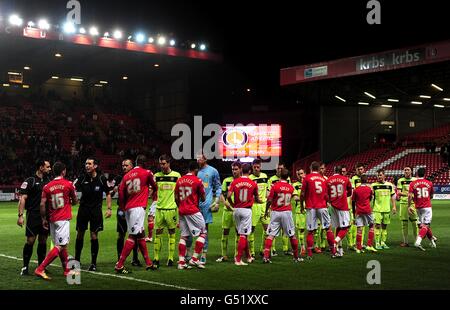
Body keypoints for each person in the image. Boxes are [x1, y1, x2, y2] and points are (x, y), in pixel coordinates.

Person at [35, 162, 78, 280]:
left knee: (62, 246)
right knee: (61, 245)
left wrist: (44, 218)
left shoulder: (47, 186)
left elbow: (42, 204)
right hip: (63, 219)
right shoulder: (69, 184)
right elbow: (75, 201)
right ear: (63, 171)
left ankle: (67, 270)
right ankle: (40, 268)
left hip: (52, 219)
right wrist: (70, 201)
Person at [115, 155, 158, 274]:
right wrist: (153, 193)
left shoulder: (126, 177)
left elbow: (121, 193)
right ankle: (119, 264)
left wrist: (123, 208)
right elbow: (155, 186)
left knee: (140, 234)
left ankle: (148, 263)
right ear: (145, 163)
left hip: (128, 209)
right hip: (138, 208)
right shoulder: (147, 172)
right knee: (133, 236)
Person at [74, 158, 112, 271]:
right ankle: (77, 261)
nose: (87, 165)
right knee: (79, 234)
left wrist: (109, 208)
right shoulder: (81, 178)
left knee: (94, 235)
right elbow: (71, 187)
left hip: (96, 210)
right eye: (86, 163)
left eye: (89, 164)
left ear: (95, 166)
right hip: (83, 210)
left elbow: (108, 193)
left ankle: (93, 263)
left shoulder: (101, 178)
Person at [17, 159, 51, 276]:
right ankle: (25, 266)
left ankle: (41, 267)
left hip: (46, 216)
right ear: (41, 168)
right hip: (33, 215)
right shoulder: (30, 181)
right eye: (47, 167)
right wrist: (20, 216)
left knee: (43, 241)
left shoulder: (49, 181)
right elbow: (23, 198)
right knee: (30, 241)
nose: (49, 169)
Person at [263, 168, 302, 263]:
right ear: (288, 177)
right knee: (292, 235)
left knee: (271, 235)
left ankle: (266, 257)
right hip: (286, 213)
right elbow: (295, 197)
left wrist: (266, 210)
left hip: (275, 212)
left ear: (280, 176)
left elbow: (269, 200)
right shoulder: (290, 187)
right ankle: (296, 257)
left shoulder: (275, 186)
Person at [175, 161, 207, 269]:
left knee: (184, 236)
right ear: (196, 170)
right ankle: (194, 259)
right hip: (192, 210)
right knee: (203, 233)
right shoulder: (197, 180)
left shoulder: (179, 180)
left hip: (182, 210)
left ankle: (181, 262)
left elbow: (176, 198)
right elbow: (203, 198)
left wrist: (181, 206)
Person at [227, 163, 261, 266]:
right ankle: (238, 259)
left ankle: (248, 257)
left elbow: (228, 195)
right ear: (250, 171)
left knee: (242, 234)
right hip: (246, 210)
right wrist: (260, 201)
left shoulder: (235, 181)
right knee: (244, 234)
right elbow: (257, 198)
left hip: (236, 210)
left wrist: (233, 204)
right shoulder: (253, 183)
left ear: (241, 171)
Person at [301, 161, 334, 259]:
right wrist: (328, 203)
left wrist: (302, 205)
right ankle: (333, 251)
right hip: (322, 206)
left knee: (311, 231)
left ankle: (310, 254)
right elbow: (326, 195)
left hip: (311, 207)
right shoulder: (323, 179)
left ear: (311, 168)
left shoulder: (307, 178)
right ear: (319, 169)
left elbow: (302, 194)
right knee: (328, 228)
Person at [153, 154, 181, 268]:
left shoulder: (176, 175)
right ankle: (156, 258)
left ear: (169, 163)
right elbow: (152, 190)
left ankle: (170, 258)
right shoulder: (156, 176)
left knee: (172, 234)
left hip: (171, 209)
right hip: (159, 209)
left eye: (164, 163)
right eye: (160, 164)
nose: (162, 166)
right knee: (158, 235)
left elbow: (179, 193)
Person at [113, 160, 140, 266]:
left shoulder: (136, 177)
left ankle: (135, 258)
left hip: (134, 208)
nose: (124, 167)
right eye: (122, 165)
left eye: (126, 165)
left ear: (132, 166)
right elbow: (114, 189)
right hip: (122, 209)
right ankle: (119, 257)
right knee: (121, 234)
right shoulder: (119, 178)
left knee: (135, 234)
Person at [197, 153, 222, 264]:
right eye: (197, 158)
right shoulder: (195, 171)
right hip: (194, 204)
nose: (198, 160)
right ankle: (192, 253)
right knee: (192, 229)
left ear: (205, 159)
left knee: (204, 229)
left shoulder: (213, 171)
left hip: (206, 205)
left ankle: (203, 254)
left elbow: (218, 186)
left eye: (200, 158)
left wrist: (216, 201)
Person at [216, 161, 241, 262]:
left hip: (238, 210)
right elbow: (221, 193)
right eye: (233, 169)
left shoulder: (243, 181)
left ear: (240, 169)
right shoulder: (227, 181)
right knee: (225, 232)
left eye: (236, 169)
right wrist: (224, 202)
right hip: (227, 211)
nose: (234, 171)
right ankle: (224, 255)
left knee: (238, 233)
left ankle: (236, 254)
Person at [326, 165, 352, 257]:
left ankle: (338, 249)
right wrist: (343, 195)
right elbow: (350, 192)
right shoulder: (346, 179)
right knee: (345, 227)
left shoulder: (328, 180)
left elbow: (326, 194)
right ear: (341, 171)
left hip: (332, 206)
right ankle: (334, 242)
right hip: (342, 206)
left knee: (338, 226)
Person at [408, 168, 437, 251]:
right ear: (425, 174)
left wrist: (409, 206)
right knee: (426, 225)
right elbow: (431, 195)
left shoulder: (413, 183)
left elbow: (410, 196)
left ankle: (432, 240)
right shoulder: (429, 183)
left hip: (418, 207)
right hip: (427, 206)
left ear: (417, 174)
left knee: (422, 226)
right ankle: (418, 241)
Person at [267, 163, 291, 256]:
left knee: (284, 230)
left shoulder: (287, 179)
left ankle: (285, 249)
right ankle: (273, 250)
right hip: (277, 208)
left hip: (281, 208)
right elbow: (268, 194)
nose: (279, 170)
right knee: (274, 230)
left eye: (281, 169)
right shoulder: (271, 180)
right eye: (278, 168)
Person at [371, 169, 397, 249]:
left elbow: (393, 195)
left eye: (381, 175)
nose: (379, 177)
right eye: (378, 175)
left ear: (384, 176)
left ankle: (383, 242)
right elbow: (370, 197)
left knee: (385, 227)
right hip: (377, 209)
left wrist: (394, 206)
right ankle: (377, 243)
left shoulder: (389, 185)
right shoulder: (373, 185)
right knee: (377, 226)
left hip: (386, 209)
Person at [249, 159, 269, 258]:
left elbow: (267, 190)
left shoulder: (265, 176)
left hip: (264, 206)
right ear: (252, 167)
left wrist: (267, 200)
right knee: (252, 228)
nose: (256, 169)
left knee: (267, 228)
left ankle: (263, 249)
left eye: (258, 167)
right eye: (254, 167)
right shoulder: (249, 178)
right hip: (254, 206)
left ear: (260, 167)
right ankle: (252, 251)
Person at [352, 174, 377, 253]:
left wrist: (353, 212)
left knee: (359, 229)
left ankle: (358, 248)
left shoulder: (356, 189)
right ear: (367, 181)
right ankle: (369, 245)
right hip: (367, 210)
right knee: (372, 225)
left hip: (359, 211)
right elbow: (370, 199)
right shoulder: (369, 189)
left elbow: (353, 201)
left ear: (360, 180)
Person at [397, 166, 418, 247]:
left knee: (414, 222)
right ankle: (405, 242)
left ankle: (416, 241)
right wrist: (409, 194)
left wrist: (408, 194)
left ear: (411, 171)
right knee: (404, 223)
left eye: (408, 170)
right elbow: (398, 193)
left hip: (413, 204)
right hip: (403, 204)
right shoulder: (400, 181)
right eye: (405, 170)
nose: (406, 171)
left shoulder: (415, 180)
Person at [348, 163, 366, 251]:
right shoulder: (354, 179)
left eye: (361, 169)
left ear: (364, 170)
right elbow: (353, 192)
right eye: (358, 169)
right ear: (356, 170)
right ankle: (352, 243)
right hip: (356, 204)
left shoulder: (364, 179)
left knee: (362, 225)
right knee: (355, 224)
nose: (360, 171)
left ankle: (360, 243)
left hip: (363, 205)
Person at [292, 168, 306, 256]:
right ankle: (303, 247)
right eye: (298, 174)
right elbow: (295, 198)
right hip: (300, 210)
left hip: (311, 208)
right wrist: (306, 197)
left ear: (305, 173)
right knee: (301, 230)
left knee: (315, 229)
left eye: (302, 173)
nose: (300, 175)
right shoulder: (295, 185)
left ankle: (314, 246)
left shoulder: (308, 183)